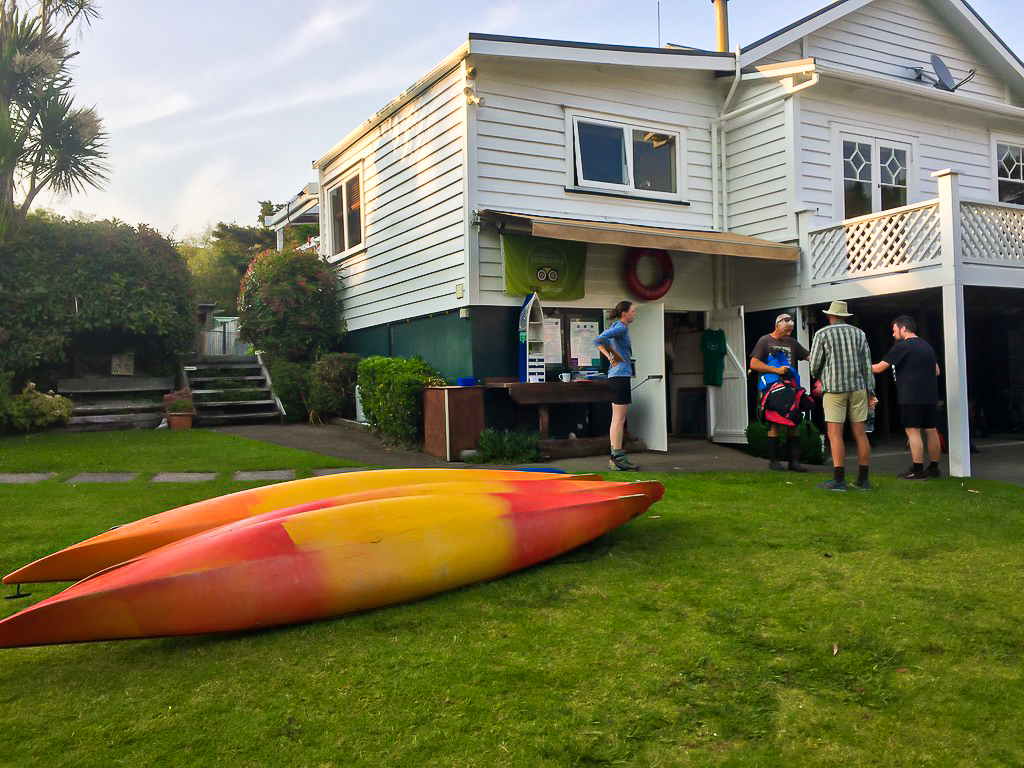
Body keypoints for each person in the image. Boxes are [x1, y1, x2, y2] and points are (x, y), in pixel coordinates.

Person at [808, 300, 876, 491]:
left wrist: (820, 376)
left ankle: (839, 480)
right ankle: (863, 479)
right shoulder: (859, 333)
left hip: (834, 389)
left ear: (830, 316)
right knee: (861, 434)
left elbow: (814, 365)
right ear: (845, 317)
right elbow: (866, 365)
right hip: (858, 388)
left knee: (835, 433)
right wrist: (870, 391)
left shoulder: (822, 334)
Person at [871, 315, 942, 479]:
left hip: (911, 395)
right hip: (930, 395)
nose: (893, 334)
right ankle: (934, 468)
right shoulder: (927, 346)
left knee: (913, 430)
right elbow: (936, 370)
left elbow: (879, 368)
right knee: (931, 430)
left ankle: (917, 469)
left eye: (895, 330)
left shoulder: (903, 346)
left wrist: (858, 367)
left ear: (903, 329)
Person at [749, 313, 810, 472]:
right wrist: (775, 370)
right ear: (777, 325)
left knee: (793, 422)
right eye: (786, 330)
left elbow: (810, 356)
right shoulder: (764, 341)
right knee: (774, 423)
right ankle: (774, 462)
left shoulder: (792, 343)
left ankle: (794, 462)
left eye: (791, 330)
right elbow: (754, 364)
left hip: (791, 388)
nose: (789, 333)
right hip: (771, 389)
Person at [595, 301, 639, 471]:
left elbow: (600, 341)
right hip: (620, 377)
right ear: (624, 313)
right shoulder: (621, 328)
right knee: (619, 420)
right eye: (633, 311)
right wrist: (611, 356)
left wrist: (611, 356)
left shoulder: (617, 327)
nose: (635, 313)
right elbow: (598, 339)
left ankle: (616, 458)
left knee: (616, 419)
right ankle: (618, 458)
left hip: (616, 376)